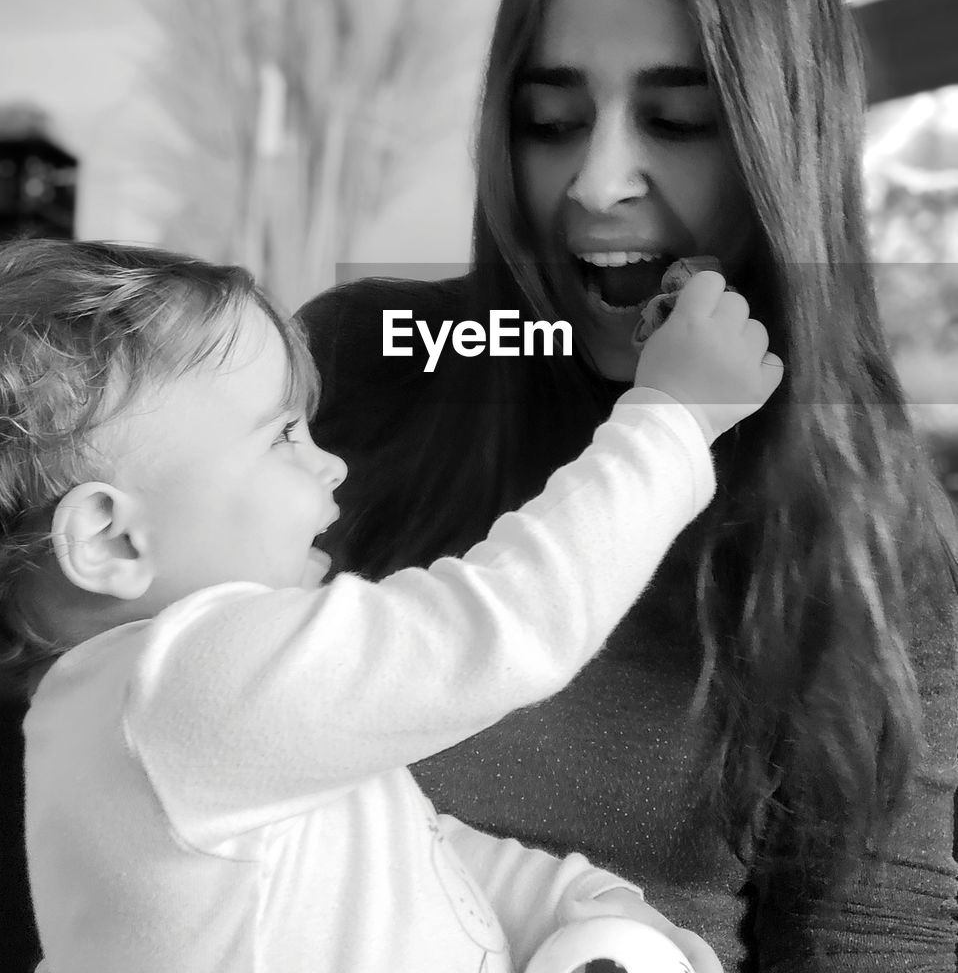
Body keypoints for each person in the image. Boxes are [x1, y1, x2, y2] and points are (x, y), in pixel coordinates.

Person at [299, 0, 958, 969]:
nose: (599, 180)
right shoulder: (363, 358)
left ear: (780, 143)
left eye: (681, 119)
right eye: (553, 119)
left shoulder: (879, 552)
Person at [0, 237, 780, 973]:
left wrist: (580, 901)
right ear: (110, 539)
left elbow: (407, 849)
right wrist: (673, 419)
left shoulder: (166, 725)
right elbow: (505, 622)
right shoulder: (178, 686)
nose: (331, 463)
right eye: (283, 436)